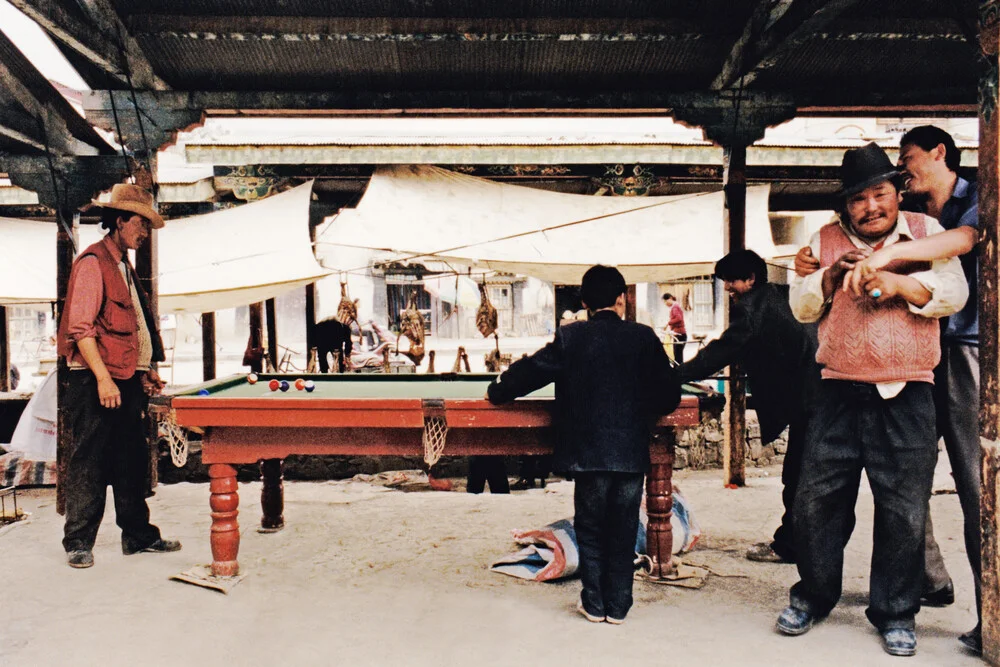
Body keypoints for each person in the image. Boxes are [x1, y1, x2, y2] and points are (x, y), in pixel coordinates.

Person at [794, 127, 982, 654]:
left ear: (897, 193)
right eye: (858, 198)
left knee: (902, 508)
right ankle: (812, 595)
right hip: (838, 388)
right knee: (816, 502)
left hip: (908, 389)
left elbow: (952, 293)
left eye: (879, 193)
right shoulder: (824, 240)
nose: (869, 206)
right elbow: (801, 305)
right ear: (846, 206)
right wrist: (829, 279)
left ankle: (896, 612)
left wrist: (901, 283)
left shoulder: (924, 230)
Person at [487, 265, 680, 624]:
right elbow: (669, 395)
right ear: (622, 298)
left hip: (587, 453)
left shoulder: (571, 336)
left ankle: (594, 604)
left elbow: (531, 371)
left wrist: (498, 389)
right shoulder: (644, 337)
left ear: (586, 302)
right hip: (629, 453)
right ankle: (619, 607)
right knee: (623, 529)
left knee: (589, 527)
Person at [56, 183, 182, 569]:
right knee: (89, 461)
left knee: (130, 460)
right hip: (96, 380)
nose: (145, 232)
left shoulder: (123, 265)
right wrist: (104, 380)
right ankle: (78, 541)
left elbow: (130, 330)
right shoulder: (93, 263)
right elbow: (81, 328)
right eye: (141, 224)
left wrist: (141, 373)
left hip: (124, 379)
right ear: (120, 221)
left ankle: (138, 536)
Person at [677, 249, 820, 565]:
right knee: (806, 475)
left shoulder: (751, 310)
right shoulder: (785, 294)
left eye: (730, 281)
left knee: (798, 477)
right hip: (824, 392)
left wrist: (675, 375)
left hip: (808, 401)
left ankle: (793, 546)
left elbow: (720, 352)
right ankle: (798, 543)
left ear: (751, 279)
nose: (727, 288)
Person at [662, 293, 687, 361]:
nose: (665, 304)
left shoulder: (675, 307)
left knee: (678, 357)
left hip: (680, 334)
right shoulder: (675, 307)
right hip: (678, 334)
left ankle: (679, 370)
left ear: (670, 299)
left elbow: (679, 318)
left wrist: (668, 323)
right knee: (678, 356)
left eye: (665, 301)